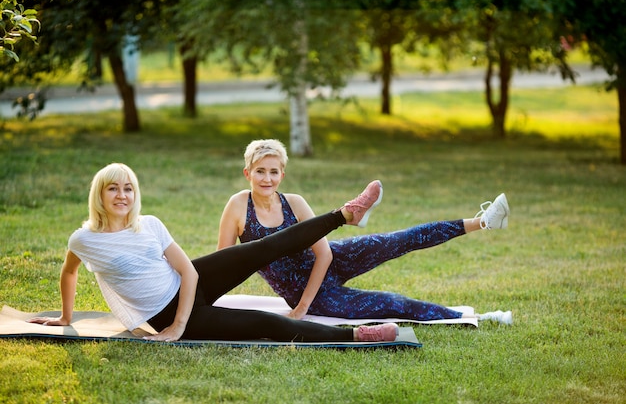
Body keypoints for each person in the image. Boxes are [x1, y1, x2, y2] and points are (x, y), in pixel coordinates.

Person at [28, 162, 400, 343]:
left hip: (189, 284)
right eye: (113, 189)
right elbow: (69, 271)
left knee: (261, 247)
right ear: (100, 195)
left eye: (128, 188)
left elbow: (188, 272)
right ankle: (356, 336)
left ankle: (346, 214)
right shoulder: (84, 239)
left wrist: (179, 324)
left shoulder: (150, 224)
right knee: (264, 325)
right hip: (166, 313)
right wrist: (65, 317)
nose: (122, 196)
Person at [217, 139, 513, 325]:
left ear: (283, 174)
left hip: (331, 261)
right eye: (260, 171)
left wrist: (302, 309)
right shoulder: (237, 207)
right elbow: (224, 266)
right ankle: (476, 317)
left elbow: (324, 253)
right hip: (314, 294)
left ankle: (483, 221)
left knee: (399, 240)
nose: (267, 178)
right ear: (248, 173)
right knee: (393, 303)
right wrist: (303, 306)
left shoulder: (294, 203)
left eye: (273, 171)